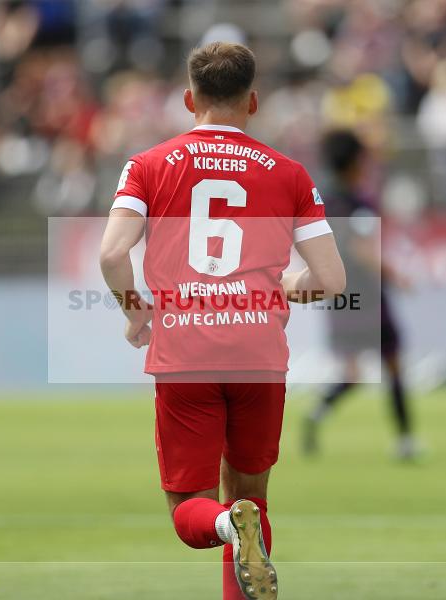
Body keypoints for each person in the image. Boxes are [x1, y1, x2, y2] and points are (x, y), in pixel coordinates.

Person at [99, 42, 345, 600]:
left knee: (195, 510)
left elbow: (112, 255)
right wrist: (280, 290)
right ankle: (241, 531)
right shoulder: (289, 173)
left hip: (184, 350)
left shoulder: (148, 165)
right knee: (251, 499)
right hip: (259, 353)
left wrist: (136, 313)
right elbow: (331, 280)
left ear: (189, 99)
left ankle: (225, 526)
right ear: (253, 102)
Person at [303, 129, 420, 460]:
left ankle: (318, 412)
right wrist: (394, 274)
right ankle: (406, 440)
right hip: (368, 297)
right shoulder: (359, 201)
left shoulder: (323, 200)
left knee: (352, 375)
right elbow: (362, 248)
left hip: (340, 296)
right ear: (356, 161)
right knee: (393, 363)